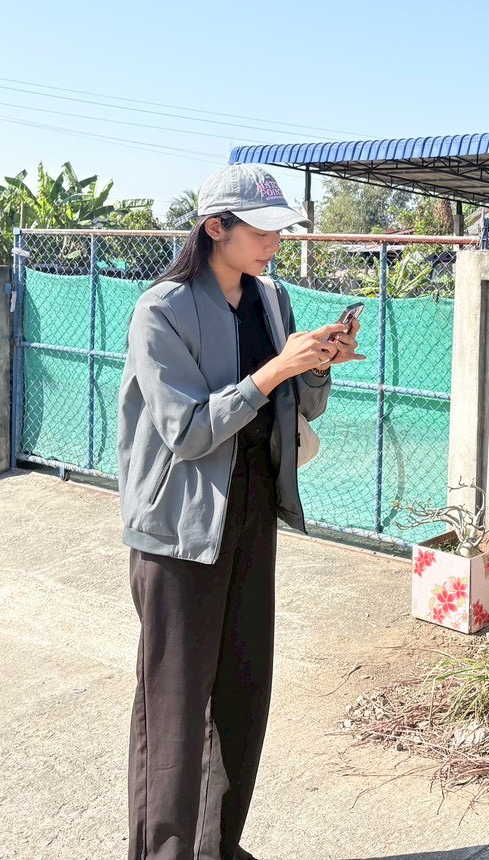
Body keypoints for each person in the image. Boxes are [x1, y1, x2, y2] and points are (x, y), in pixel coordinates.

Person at [117, 163, 361, 860]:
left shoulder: (271, 300)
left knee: (243, 693)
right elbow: (188, 432)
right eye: (261, 229)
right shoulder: (160, 309)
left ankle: (217, 847)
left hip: (252, 507)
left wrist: (314, 366)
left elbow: (296, 408)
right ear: (214, 228)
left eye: (281, 229)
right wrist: (274, 370)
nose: (274, 243)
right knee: (174, 704)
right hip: (178, 528)